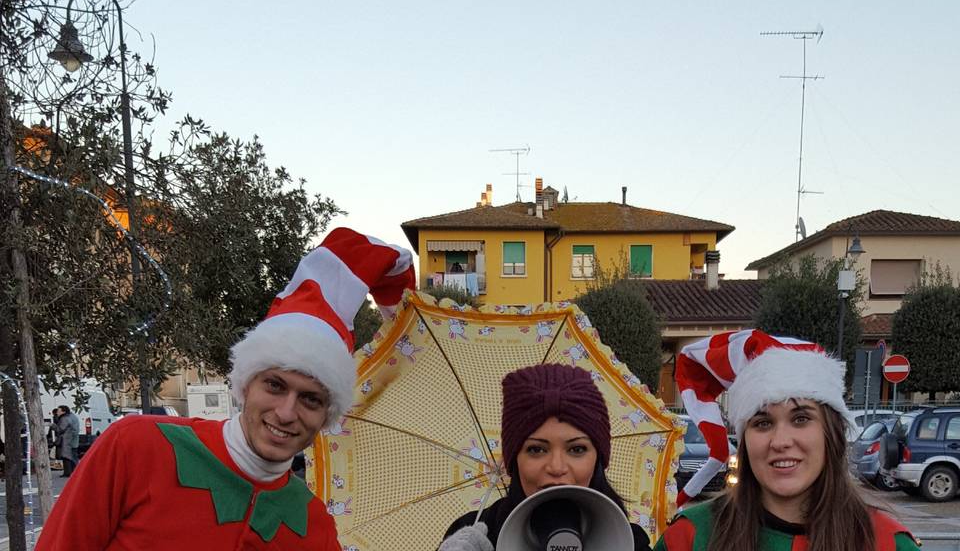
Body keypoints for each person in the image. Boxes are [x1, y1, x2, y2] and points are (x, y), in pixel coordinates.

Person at [36, 227, 416, 550]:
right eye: (275, 385)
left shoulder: (314, 530)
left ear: (326, 415)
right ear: (246, 385)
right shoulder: (135, 447)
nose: (286, 412)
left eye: (310, 399)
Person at [653, 330, 920, 551]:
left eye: (801, 419)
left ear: (832, 433)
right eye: (762, 423)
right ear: (744, 440)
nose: (780, 441)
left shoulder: (888, 543)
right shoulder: (688, 539)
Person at [440, 363, 652, 551]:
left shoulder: (631, 543)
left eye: (577, 449)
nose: (556, 467)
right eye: (536, 450)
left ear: (599, 459)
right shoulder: (473, 535)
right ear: (513, 460)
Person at [54, 405, 80, 477]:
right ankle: (73, 472)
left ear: (63, 411)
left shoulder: (65, 418)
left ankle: (71, 472)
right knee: (72, 456)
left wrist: (52, 425)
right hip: (73, 439)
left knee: (68, 456)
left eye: (58, 411)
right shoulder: (72, 416)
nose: (57, 413)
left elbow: (60, 429)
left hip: (68, 440)